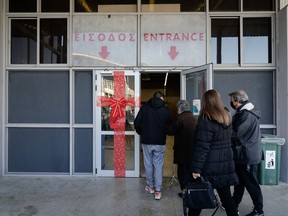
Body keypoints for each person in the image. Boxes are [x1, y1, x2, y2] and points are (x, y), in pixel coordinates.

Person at [190, 90, 239, 216]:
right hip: (225, 164)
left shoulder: (206, 120)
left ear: (205, 102)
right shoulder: (227, 117)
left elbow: (202, 147)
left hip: (209, 166)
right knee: (227, 199)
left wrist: (196, 169)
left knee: (198, 197)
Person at [229, 90, 264, 216]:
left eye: (232, 100)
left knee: (251, 184)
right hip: (242, 154)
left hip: (247, 155)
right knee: (239, 182)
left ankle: (259, 211)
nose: (232, 103)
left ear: (237, 101)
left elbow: (236, 134)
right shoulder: (243, 113)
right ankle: (233, 205)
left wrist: (223, 131)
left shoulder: (247, 115)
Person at [134, 91, 173, 200]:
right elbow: (171, 124)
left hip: (147, 141)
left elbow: (137, 123)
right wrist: (165, 131)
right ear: (161, 98)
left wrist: (141, 132)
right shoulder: (165, 110)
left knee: (148, 163)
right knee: (158, 164)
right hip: (160, 141)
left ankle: (150, 186)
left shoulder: (145, 108)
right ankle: (158, 191)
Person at [167, 100, 197, 198]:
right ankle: (191, 190)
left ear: (179, 109)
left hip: (182, 150)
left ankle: (185, 191)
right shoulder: (194, 118)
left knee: (182, 172)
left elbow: (171, 131)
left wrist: (167, 124)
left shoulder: (180, 118)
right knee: (189, 170)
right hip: (192, 150)